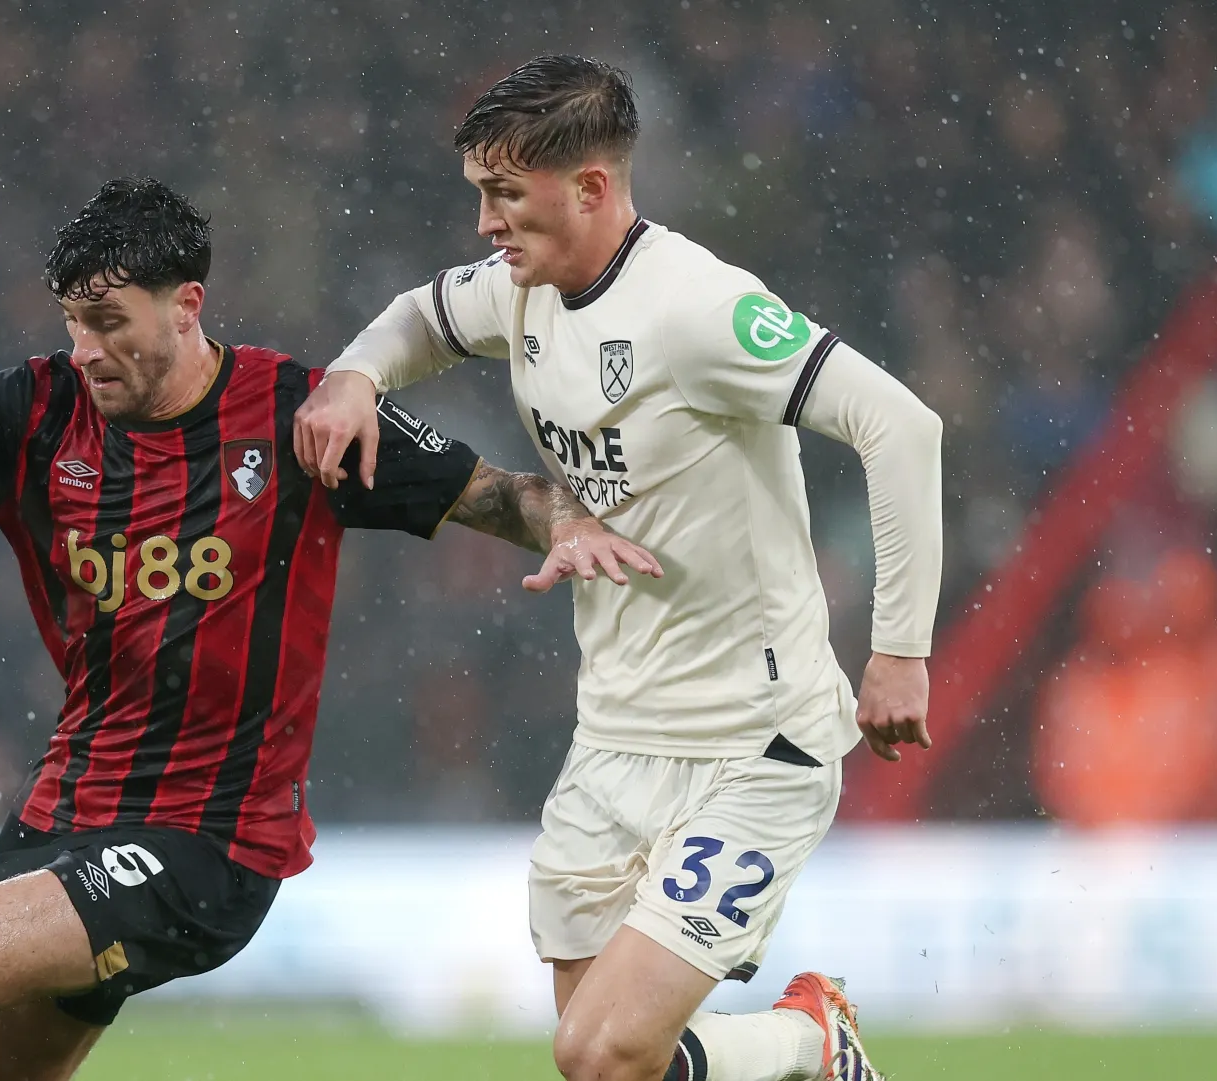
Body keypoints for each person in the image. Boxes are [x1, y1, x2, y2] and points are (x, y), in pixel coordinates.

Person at [0, 177, 658, 1081]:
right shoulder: (33, 409)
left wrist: (582, 522)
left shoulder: (298, 413)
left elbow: (496, 496)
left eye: (110, 322)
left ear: (186, 304)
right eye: (72, 322)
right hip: (69, 810)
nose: (86, 348)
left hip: (212, 837)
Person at [294, 56, 944, 1081]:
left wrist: (899, 651)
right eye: (479, 194)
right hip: (615, 736)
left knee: (602, 1052)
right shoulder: (522, 293)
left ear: (591, 187)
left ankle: (813, 1038)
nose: (484, 224)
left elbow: (899, 423)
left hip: (753, 739)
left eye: (505, 194)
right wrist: (351, 377)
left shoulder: (702, 308)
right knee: (608, 1067)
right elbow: (421, 314)